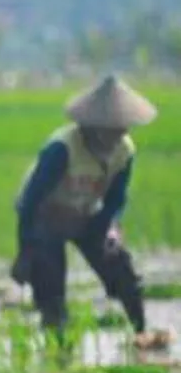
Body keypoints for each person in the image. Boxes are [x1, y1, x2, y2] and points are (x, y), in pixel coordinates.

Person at [11, 74, 165, 348]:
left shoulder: (124, 151)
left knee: (121, 269)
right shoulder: (62, 149)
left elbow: (116, 199)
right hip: (46, 216)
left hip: (87, 215)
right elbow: (30, 202)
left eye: (123, 128)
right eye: (111, 130)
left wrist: (111, 228)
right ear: (91, 127)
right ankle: (57, 348)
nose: (118, 135)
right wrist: (25, 250)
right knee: (49, 287)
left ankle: (142, 333)